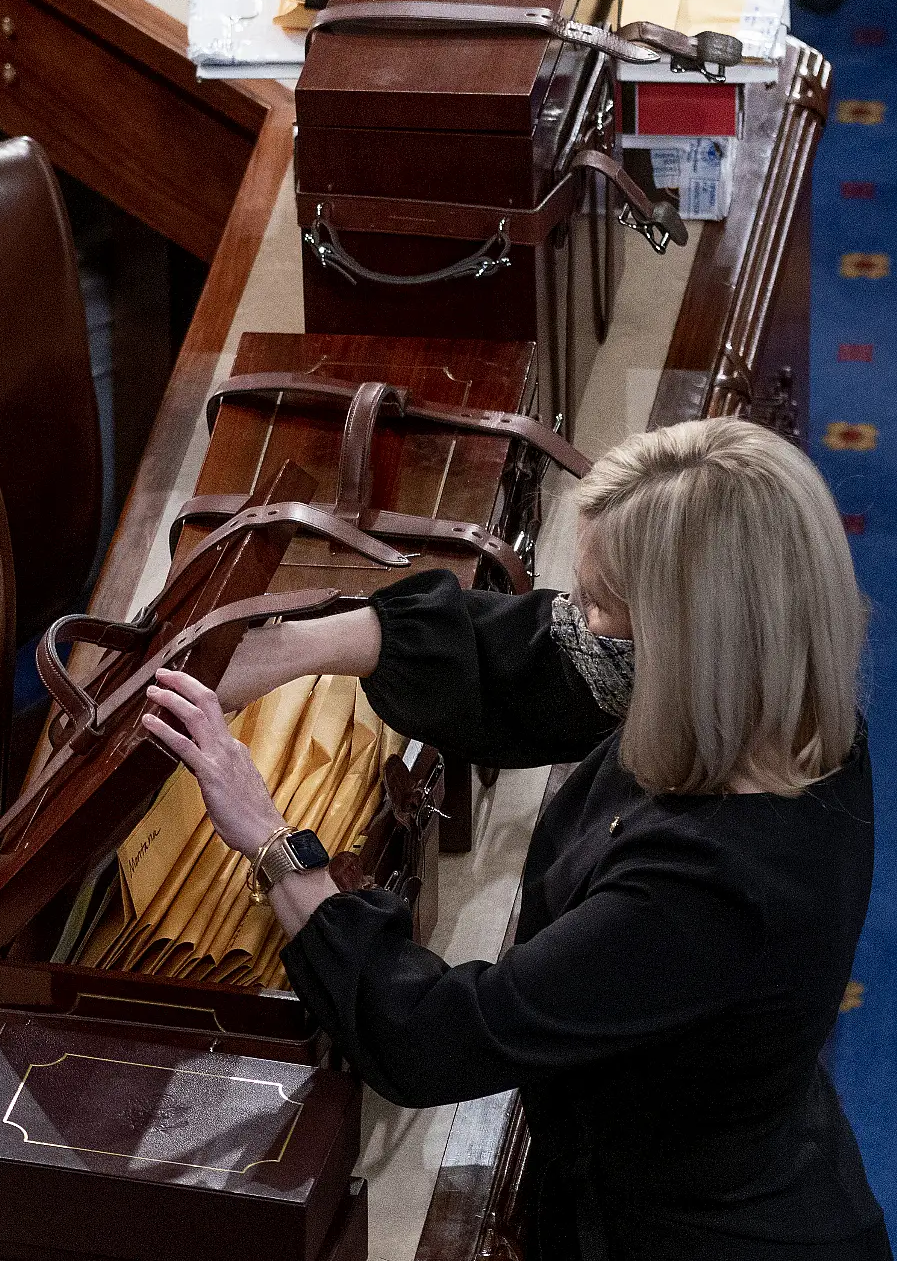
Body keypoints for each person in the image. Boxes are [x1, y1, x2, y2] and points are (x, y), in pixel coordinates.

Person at [142, 417, 891, 1261]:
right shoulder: (776, 697)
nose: (587, 621)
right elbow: (550, 658)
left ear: (692, 638)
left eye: (608, 602)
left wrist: (276, 842)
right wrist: (294, 647)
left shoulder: (706, 889)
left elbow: (436, 1037)